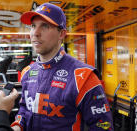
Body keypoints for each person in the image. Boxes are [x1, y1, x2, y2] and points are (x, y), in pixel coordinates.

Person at [10, 3, 114, 131]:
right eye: (33, 26)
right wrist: (16, 126)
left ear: (61, 34)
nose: (35, 33)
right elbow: (24, 110)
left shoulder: (84, 76)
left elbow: (103, 127)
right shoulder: (27, 72)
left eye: (45, 26)